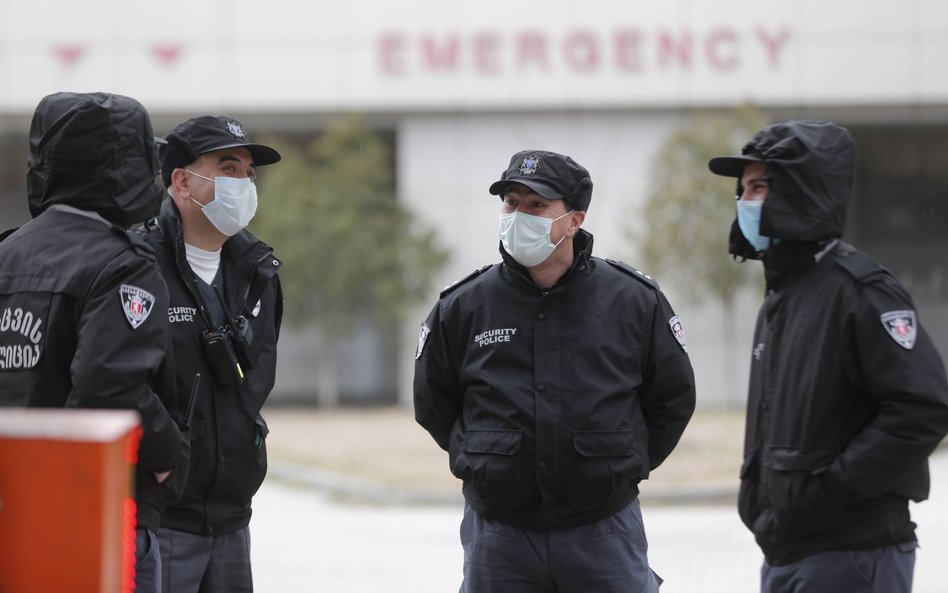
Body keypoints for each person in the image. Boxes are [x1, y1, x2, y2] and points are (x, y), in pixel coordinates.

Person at [413, 149, 696, 592]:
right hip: (499, 534)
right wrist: (484, 461)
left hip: (603, 528)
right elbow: (434, 402)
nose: (518, 215)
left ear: (574, 220)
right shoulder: (465, 305)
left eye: (536, 205)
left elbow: (672, 400)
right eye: (511, 202)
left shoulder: (633, 301)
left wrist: (617, 465)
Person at [708, 120, 948, 593]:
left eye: (760, 186)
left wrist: (831, 489)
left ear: (798, 192)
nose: (745, 202)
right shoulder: (783, 295)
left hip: (853, 553)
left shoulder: (860, 291)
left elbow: (922, 407)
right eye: (743, 190)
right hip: (787, 551)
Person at [0, 91, 184, 592]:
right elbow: (109, 388)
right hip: (93, 514)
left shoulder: (7, 254)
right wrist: (169, 456)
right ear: (127, 167)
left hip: (12, 511)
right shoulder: (122, 264)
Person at [143, 115, 283, 593]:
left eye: (249, 173)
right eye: (228, 168)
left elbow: (252, 384)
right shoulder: (137, 269)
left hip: (232, 521)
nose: (243, 184)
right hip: (160, 521)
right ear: (182, 181)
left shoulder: (259, 272)